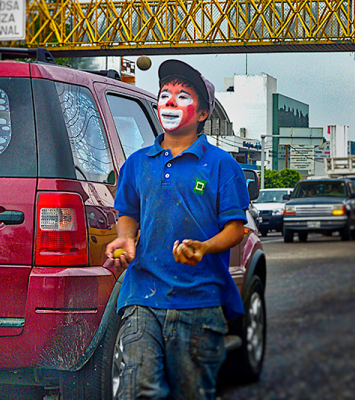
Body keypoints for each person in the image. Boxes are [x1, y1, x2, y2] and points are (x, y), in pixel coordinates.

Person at [105, 59, 250, 400]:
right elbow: (127, 213)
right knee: (139, 390)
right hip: (142, 295)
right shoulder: (137, 163)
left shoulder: (222, 165)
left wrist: (203, 247)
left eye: (183, 95)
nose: (170, 101)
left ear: (202, 114)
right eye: (165, 93)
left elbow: (236, 230)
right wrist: (124, 238)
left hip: (199, 302)